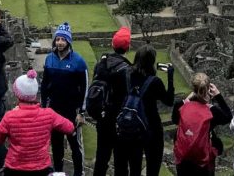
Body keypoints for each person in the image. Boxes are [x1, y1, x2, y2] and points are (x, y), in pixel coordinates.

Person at [0, 67, 75, 176]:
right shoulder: (49, 114)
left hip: (15, 168)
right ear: (35, 94)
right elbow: (69, 127)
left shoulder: (10, 116)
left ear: (17, 94)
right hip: (41, 167)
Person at [40, 21, 88, 176]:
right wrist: (43, 107)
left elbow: (85, 88)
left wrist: (82, 112)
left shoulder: (78, 62)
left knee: (75, 146)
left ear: (69, 41)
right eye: (57, 39)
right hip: (54, 110)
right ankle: (59, 172)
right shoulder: (49, 59)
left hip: (72, 111)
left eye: (63, 39)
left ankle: (79, 173)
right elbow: (44, 85)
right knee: (57, 145)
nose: (59, 43)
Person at [124, 44, 176, 176]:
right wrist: (170, 77)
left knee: (134, 168)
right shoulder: (155, 82)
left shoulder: (128, 75)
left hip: (132, 126)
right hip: (151, 127)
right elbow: (169, 101)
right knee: (153, 168)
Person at [172, 72, 232, 176]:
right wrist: (218, 95)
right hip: (203, 162)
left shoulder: (180, 107)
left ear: (193, 88)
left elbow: (174, 119)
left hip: (183, 159)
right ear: (209, 89)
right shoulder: (212, 111)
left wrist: (187, 99)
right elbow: (228, 116)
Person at [92, 26, 133, 176]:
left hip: (103, 118)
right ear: (128, 47)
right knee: (121, 162)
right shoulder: (128, 70)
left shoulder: (100, 65)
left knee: (101, 159)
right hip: (119, 121)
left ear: (112, 44)